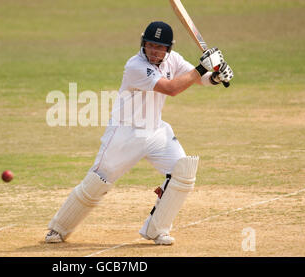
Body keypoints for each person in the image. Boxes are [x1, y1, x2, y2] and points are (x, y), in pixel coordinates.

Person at [45, 21, 233, 245]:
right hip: (125, 133)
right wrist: (203, 67)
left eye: (159, 47)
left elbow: (195, 78)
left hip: (156, 132)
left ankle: (157, 230)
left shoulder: (173, 60)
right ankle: (57, 229)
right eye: (150, 45)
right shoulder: (135, 66)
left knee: (183, 171)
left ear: (168, 49)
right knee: (98, 181)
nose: (154, 51)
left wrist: (214, 76)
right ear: (143, 44)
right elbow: (171, 88)